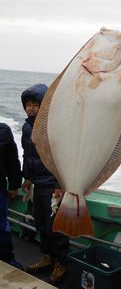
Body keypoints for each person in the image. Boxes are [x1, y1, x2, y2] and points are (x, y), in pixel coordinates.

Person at [20, 84, 69, 285]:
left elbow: (62, 156)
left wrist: (60, 183)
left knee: (54, 228)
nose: (30, 108)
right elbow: (27, 154)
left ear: (44, 106)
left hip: (52, 185)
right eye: (28, 105)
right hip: (38, 184)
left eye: (35, 104)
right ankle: (47, 256)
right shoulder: (26, 126)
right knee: (40, 222)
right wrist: (27, 178)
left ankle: (62, 262)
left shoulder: (53, 126)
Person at [0, 122, 23, 269]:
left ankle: (7, 257)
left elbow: (13, 161)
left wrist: (14, 185)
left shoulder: (3, 132)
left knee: (1, 225)